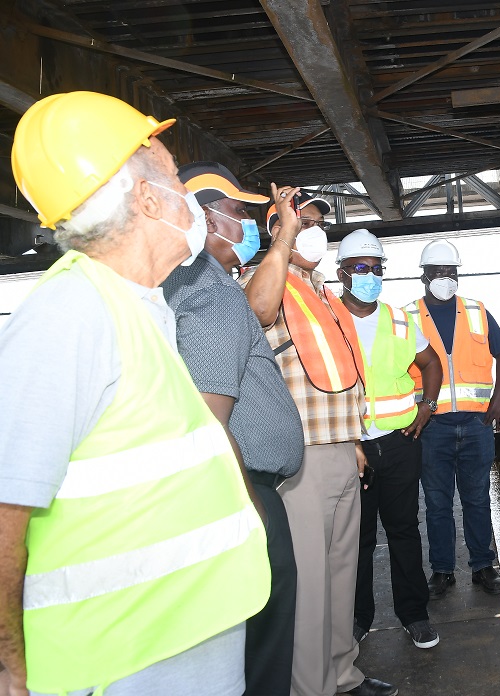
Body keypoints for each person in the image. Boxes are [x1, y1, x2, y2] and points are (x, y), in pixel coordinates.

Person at [0, 92, 270, 696]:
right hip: (119, 664)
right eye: (175, 176)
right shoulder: (71, 315)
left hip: (175, 645)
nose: (185, 193)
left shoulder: (139, 305)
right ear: (147, 197)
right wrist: (10, 670)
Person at [240, 203, 397, 696]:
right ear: (279, 229)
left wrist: (352, 438)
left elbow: (339, 372)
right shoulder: (266, 279)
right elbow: (256, 310)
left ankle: (343, 674)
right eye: (302, 222)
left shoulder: (323, 292)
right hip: (303, 458)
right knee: (309, 585)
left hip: (340, 449)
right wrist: (282, 242)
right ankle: (312, 688)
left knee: (340, 574)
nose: (314, 231)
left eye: (315, 223)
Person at [162, 162, 303, 696]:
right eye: (237, 214)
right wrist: (250, 508)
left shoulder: (200, 281)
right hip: (243, 491)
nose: (246, 226)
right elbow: (209, 418)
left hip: (240, 485)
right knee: (262, 650)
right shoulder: (203, 283)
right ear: (202, 217)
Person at [332, 230, 445, 650]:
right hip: (350, 447)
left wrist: (427, 407)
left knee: (403, 531)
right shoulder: (327, 320)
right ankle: (358, 619)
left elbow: (431, 362)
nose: (370, 275)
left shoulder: (400, 319)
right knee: (356, 539)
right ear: (341, 273)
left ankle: (414, 614)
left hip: (398, 444)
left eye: (376, 268)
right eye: (360, 267)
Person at [404, 240, 500, 599]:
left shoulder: (477, 311)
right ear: (423, 277)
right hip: (432, 429)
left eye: (451, 273)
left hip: (476, 425)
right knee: (436, 503)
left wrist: (498, 396)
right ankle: (442, 571)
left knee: (478, 499)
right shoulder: (406, 317)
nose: (445, 279)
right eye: (437, 273)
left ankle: (483, 566)